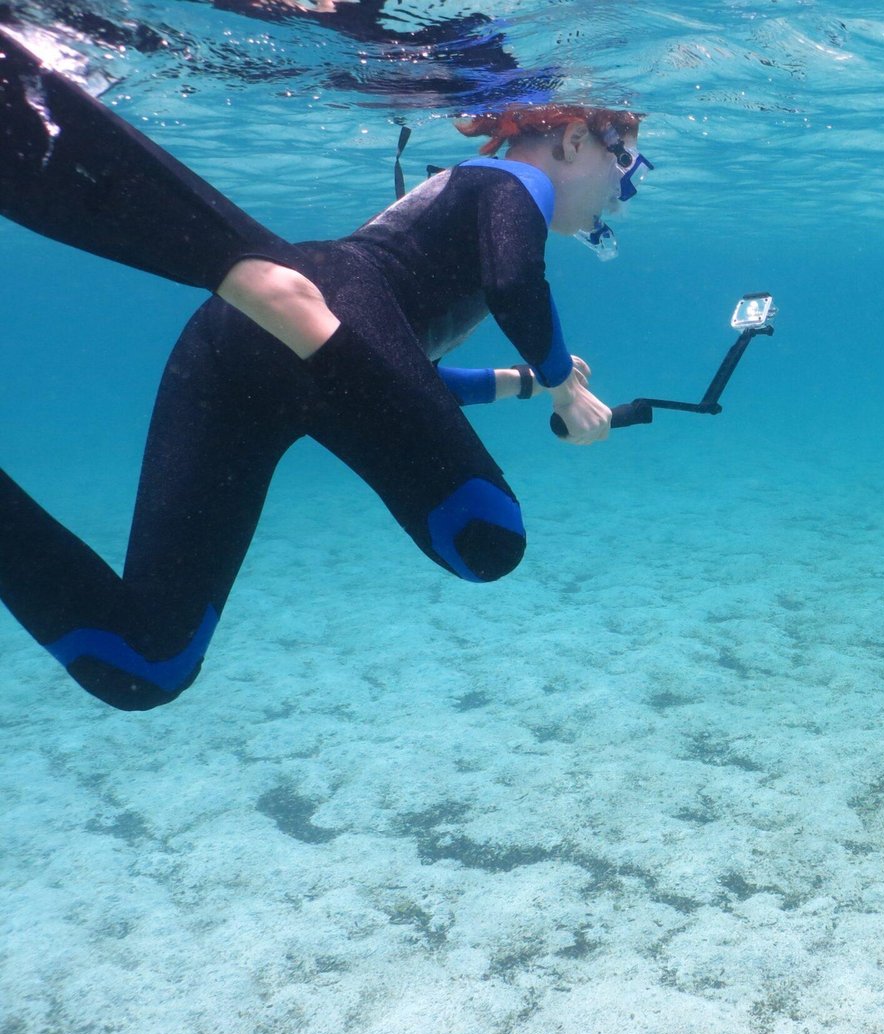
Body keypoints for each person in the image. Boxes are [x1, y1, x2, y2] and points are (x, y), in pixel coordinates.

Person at [0, 24, 647, 710]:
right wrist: (558, 388)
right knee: (485, 539)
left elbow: (403, 383)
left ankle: (287, 306)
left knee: (148, 663)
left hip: (249, 346)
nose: (622, 197)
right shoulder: (513, 182)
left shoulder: (468, 209)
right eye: (626, 168)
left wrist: (528, 385)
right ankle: (285, 298)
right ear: (575, 139)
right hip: (324, 303)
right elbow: (517, 285)